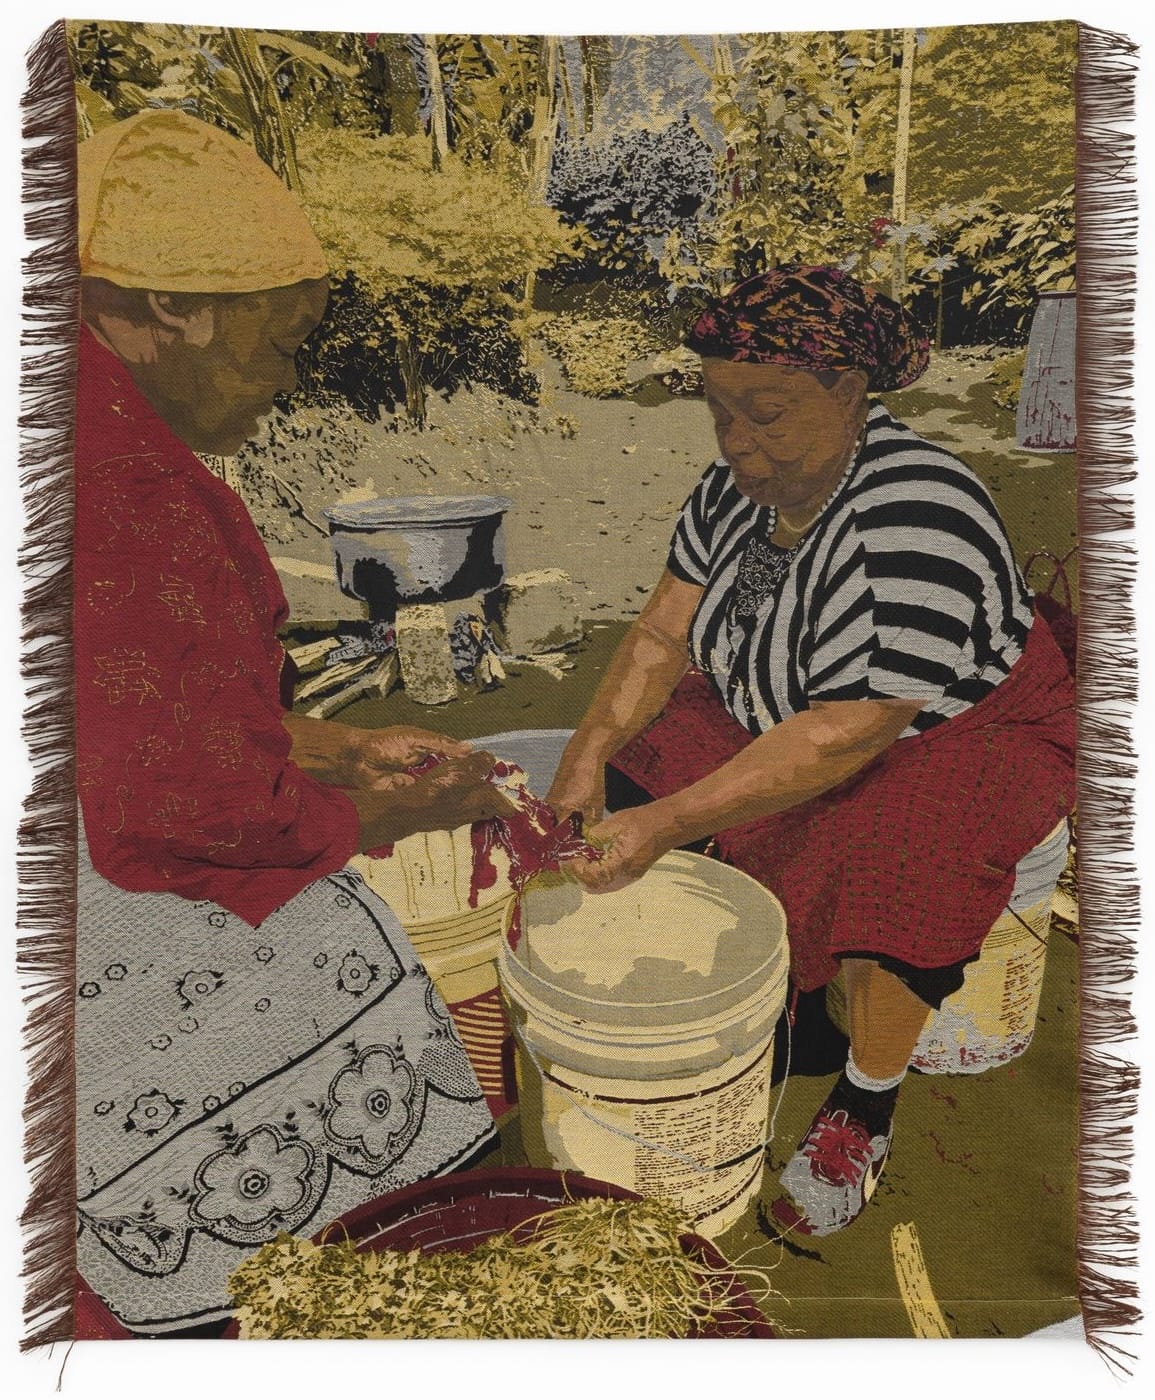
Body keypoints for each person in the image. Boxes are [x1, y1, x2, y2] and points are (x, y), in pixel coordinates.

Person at [73, 110, 512, 1334]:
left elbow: (142, 710)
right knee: (366, 970)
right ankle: (272, 1294)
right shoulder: (120, 489)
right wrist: (380, 805)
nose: (289, 370)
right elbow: (175, 804)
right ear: (175, 307)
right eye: (286, 336)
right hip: (88, 904)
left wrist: (333, 747)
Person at [548, 265, 1076, 1238]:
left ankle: (864, 1101)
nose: (739, 444)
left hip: (960, 726)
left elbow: (850, 734)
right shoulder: (735, 492)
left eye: (769, 412)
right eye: (723, 412)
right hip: (797, 695)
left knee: (896, 845)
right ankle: (765, 991)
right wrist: (589, 752)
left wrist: (665, 822)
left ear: (846, 392)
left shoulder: (919, 516)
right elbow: (666, 635)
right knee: (653, 750)